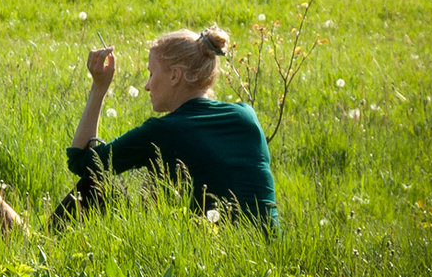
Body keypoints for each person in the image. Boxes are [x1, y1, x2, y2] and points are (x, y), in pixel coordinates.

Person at [52, 26, 278, 230]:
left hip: (211, 250)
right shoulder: (246, 115)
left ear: (174, 76)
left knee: (91, 188)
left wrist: (99, 87)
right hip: (267, 251)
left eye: (151, 74)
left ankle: (41, 249)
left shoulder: (163, 131)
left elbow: (81, 161)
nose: (147, 86)